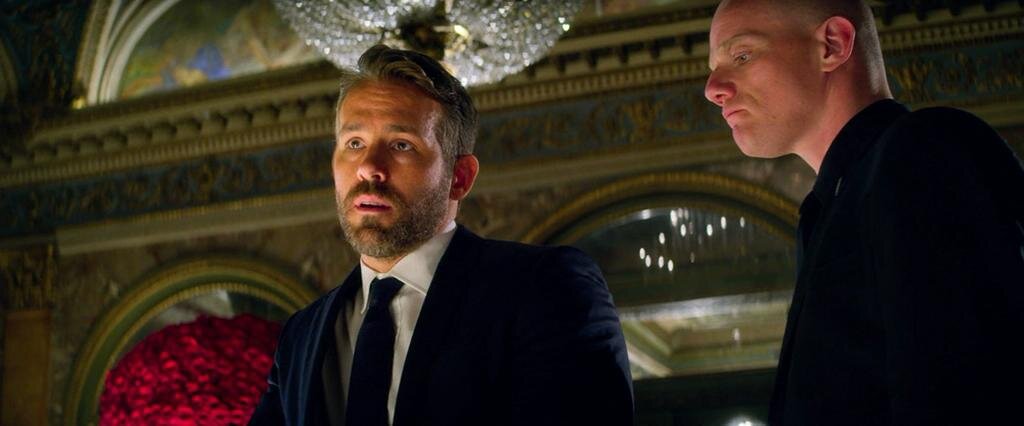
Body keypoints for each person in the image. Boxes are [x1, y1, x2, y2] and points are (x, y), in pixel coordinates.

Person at [249, 44, 634, 426]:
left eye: (401, 145)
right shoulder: (302, 334)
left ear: (460, 177)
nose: (369, 167)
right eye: (354, 143)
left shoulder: (545, 287)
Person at [704, 0, 1024, 424]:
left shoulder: (922, 152)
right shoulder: (831, 206)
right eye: (714, 68)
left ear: (833, 45)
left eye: (742, 55)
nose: (712, 88)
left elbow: (967, 394)